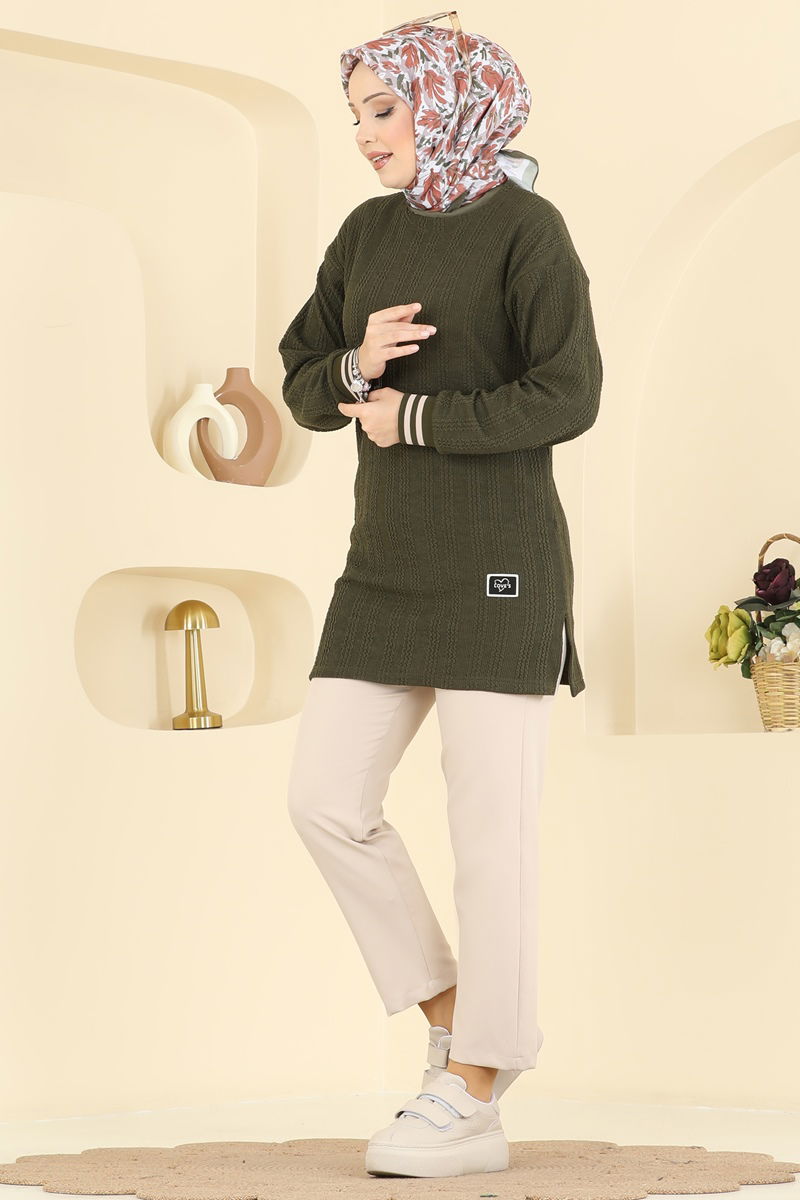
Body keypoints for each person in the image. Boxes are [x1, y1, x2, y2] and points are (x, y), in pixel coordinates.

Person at [278, 10, 603, 1180]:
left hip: (499, 570)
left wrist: (413, 415)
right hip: (383, 568)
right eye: (357, 114)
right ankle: (457, 1018)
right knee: (324, 800)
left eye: (384, 107)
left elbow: (568, 393)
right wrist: (355, 363)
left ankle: (472, 1094)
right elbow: (302, 381)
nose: (367, 133)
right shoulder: (365, 232)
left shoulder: (527, 229)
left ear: (448, 100)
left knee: (489, 839)